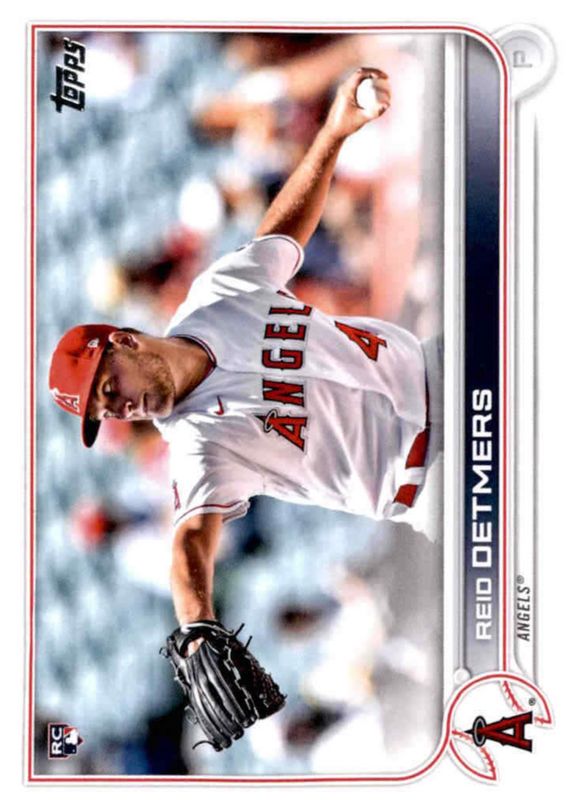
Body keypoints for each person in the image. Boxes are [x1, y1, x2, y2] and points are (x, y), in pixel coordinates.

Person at [49, 68, 442, 629]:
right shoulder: (195, 443)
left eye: (110, 389)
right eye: (108, 411)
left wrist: (332, 134)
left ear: (126, 342)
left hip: (441, 368)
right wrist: (195, 626)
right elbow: (190, 541)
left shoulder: (216, 296)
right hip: (435, 476)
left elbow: (281, 235)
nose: (121, 407)